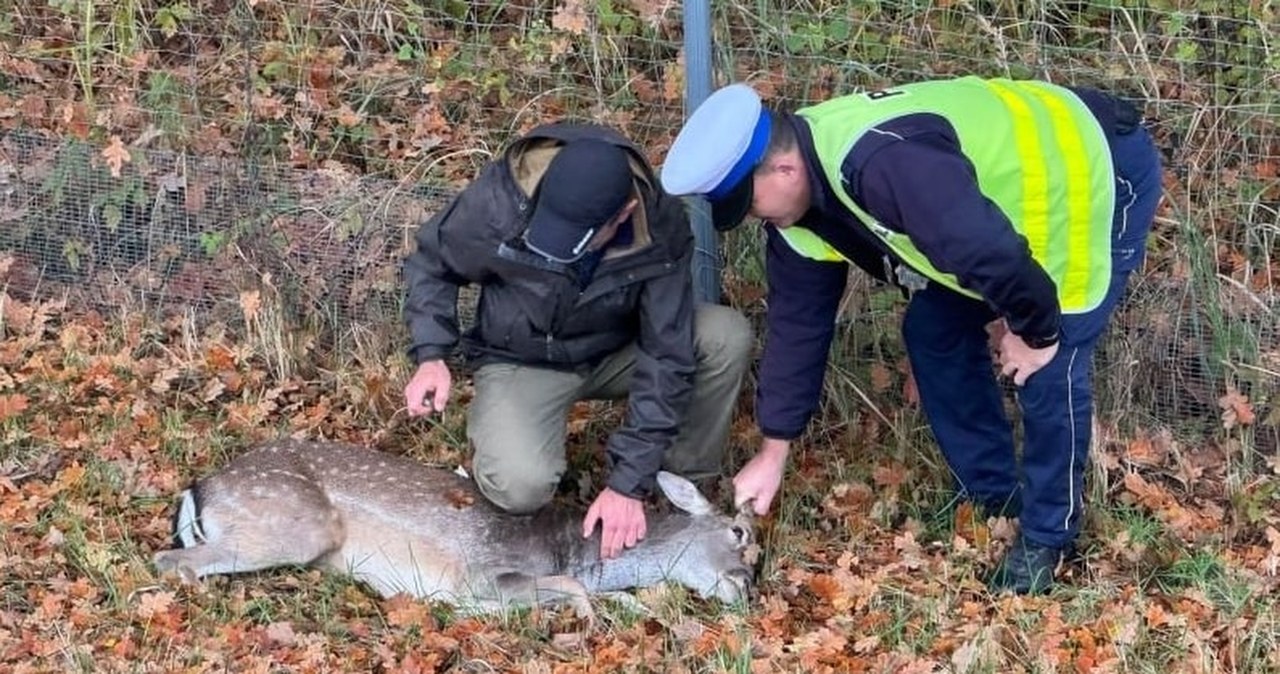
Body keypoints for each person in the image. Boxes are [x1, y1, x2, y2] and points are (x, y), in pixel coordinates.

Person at [659, 76, 1163, 594]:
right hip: (994, 225)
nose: (751, 217)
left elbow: (989, 253)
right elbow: (798, 324)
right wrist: (774, 450)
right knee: (933, 330)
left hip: (1088, 172)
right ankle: (995, 495)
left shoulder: (886, 165)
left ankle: (1048, 538)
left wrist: (1032, 331)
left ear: (785, 168)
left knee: (1052, 364)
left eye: (749, 202)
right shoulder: (802, 204)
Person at [402, 123, 752, 561]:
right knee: (519, 486)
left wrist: (629, 482)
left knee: (724, 335)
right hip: (523, 357)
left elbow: (667, 353)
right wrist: (432, 354)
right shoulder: (500, 201)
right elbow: (432, 263)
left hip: (617, 351)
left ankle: (676, 488)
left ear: (623, 213)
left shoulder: (660, 227)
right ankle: (508, 446)